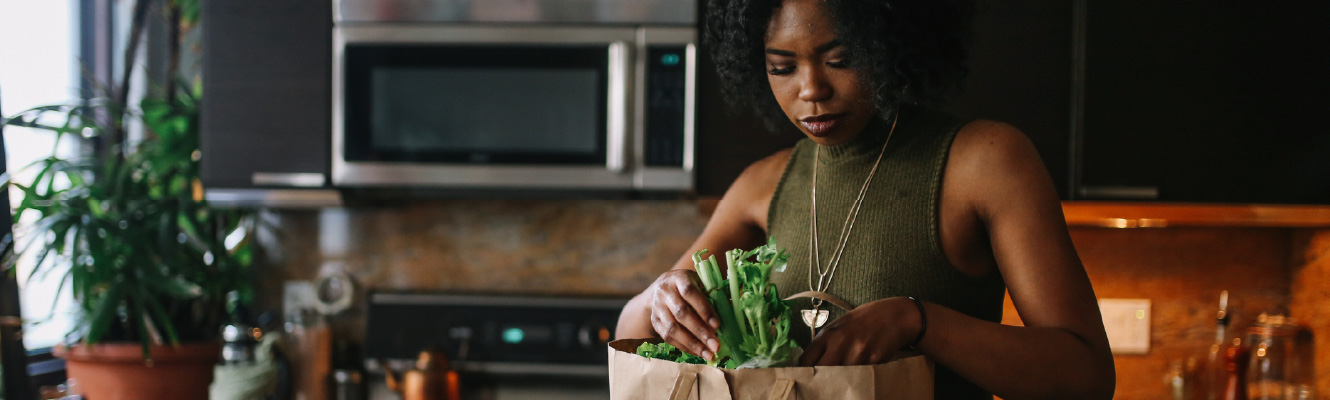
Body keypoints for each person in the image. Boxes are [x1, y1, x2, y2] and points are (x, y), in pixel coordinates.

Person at [615, 0, 1115, 398]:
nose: (811, 89)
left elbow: (1085, 374)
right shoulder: (762, 184)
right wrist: (663, 295)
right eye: (782, 67)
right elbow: (633, 333)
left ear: (889, 44)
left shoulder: (985, 162)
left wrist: (916, 320)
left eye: (841, 59)